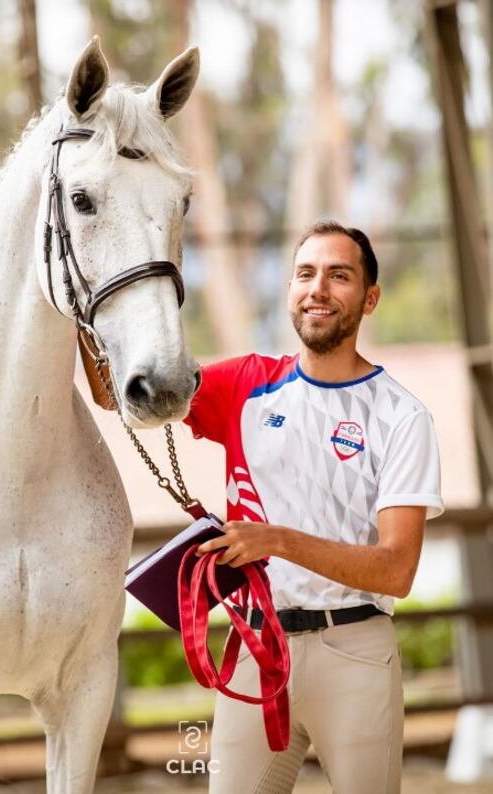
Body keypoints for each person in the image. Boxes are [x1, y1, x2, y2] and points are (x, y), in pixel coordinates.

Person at [184, 221, 443, 794]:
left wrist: (277, 540)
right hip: (256, 649)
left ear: (370, 298)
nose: (318, 288)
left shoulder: (403, 417)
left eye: (339, 275)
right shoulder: (244, 384)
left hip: (354, 652)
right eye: (305, 273)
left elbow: (397, 570)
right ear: (289, 289)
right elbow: (123, 391)